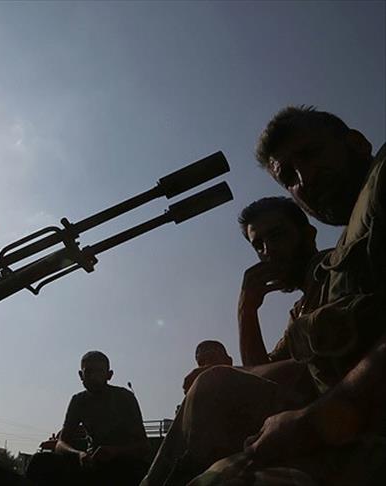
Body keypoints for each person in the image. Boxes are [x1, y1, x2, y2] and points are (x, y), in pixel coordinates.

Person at [165, 106, 385, 486]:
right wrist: (247, 311)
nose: (306, 177)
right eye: (289, 177)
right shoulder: (304, 307)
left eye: (311, 154)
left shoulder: (337, 265)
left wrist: (314, 421)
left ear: (357, 143)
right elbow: (262, 375)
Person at [31, 351, 149, 486]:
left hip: (124, 465)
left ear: (109, 375)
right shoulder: (78, 401)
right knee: (40, 461)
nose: (93, 377)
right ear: (81, 375)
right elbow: (61, 444)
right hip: (91, 464)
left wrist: (114, 451)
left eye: (99, 372)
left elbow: (144, 446)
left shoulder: (124, 397)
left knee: (129, 471)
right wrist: (78, 454)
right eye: (89, 372)